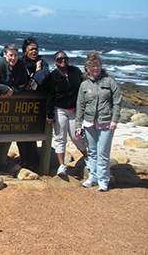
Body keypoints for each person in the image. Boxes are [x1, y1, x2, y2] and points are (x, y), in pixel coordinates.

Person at [75, 51, 122, 192]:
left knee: (103, 152)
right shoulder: (84, 85)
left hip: (106, 122)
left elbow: (117, 101)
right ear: (87, 68)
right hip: (89, 123)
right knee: (93, 152)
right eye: (92, 66)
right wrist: (78, 125)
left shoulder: (109, 82)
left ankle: (103, 180)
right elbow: (80, 105)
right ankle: (92, 177)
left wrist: (114, 120)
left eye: (97, 65)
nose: (95, 68)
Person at [0, 44, 31, 170]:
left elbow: (23, 83)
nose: (13, 58)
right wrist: (4, 89)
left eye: (16, 55)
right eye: (11, 55)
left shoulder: (20, 66)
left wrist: (12, 91)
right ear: (5, 55)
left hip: (10, 108)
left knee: (6, 134)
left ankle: (0, 164)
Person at [46, 51, 88, 176]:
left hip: (75, 110)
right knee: (60, 137)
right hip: (60, 110)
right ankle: (61, 166)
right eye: (59, 59)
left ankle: (88, 158)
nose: (63, 61)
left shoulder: (75, 72)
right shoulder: (53, 76)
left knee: (77, 136)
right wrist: (50, 114)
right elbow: (50, 95)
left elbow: (83, 87)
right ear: (55, 62)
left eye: (65, 58)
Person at [15, 37, 50, 170]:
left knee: (33, 132)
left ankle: (33, 161)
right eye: (31, 49)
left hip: (37, 104)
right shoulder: (20, 62)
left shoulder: (42, 63)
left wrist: (35, 75)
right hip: (21, 103)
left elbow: (44, 75)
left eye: (36, 49)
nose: (34, 51)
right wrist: (26, 85)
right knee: (20, 132)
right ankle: (24, 160)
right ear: (25, 51)